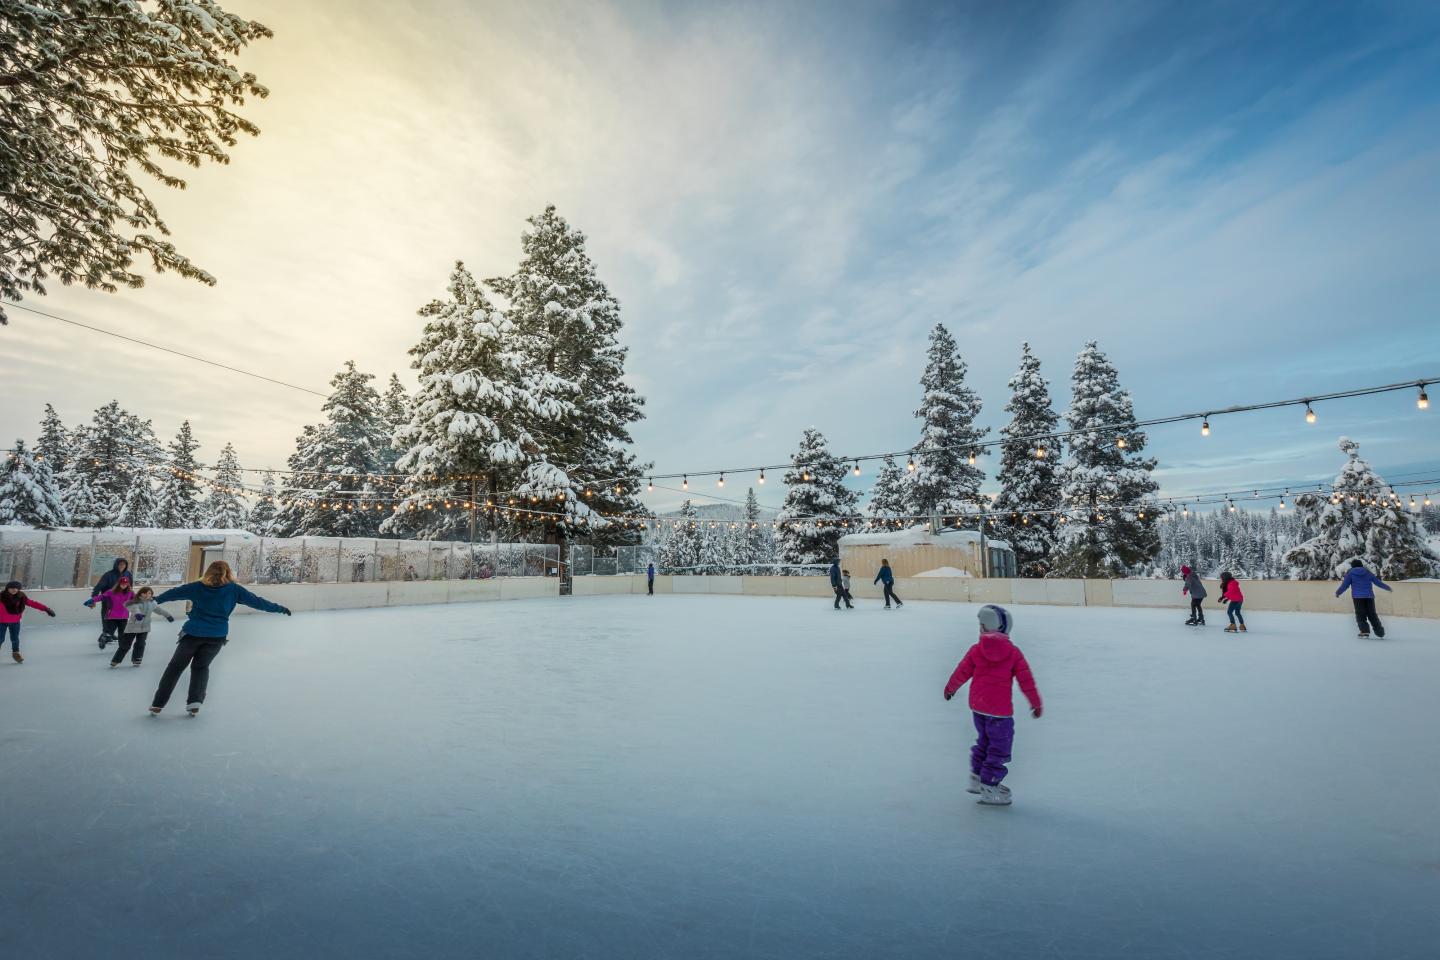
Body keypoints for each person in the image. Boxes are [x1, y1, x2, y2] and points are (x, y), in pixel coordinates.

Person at [148, 561, 291, 717]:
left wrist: (155, 600)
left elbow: (174, 593)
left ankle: (158, 704)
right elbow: (258, 602)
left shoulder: (197, 587)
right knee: (201, 667)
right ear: (228, 573)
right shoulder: (234, 590)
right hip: (216, 636)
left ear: (208, 572)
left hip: (192, 634)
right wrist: (280, 608)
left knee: (175, 668)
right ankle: (194, 703)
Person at [944, 604, 1042, 806]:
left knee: (984, 741)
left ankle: (977, 777)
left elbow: (961, 672)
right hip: (1000, 711)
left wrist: (950, 688)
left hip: (978, 707)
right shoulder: (1013, 653)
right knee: (999, 747)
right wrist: (1035, 703)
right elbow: (1026, 681)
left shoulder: (976, 650)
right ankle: (990, 784)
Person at [109, 586, 176, 668]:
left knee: (140, 644)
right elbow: (135, 609)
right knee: (126, 645)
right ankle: (116, 660)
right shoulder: (136, 602)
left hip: (144, 628)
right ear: (141, 593)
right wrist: (138, 614)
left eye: (149, 593)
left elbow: (159, 610)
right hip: (133, 627)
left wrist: (168, 615)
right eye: (145, 593)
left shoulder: (152, 603)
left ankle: (137, 659)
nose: (147, 595)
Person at [1, 580, 57, 663]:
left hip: (15, 621)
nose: (14, 590)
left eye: (17, 588)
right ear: (7, 588)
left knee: (15, 638)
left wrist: (46, 609)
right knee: (0, 638)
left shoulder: (21, 597)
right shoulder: (1, 597)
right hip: (1, 621)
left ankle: (16, 653)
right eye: (12, 588)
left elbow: (33, 603)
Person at [1336, 558, 1391, 638]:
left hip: (1357, 597)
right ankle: (1380, 632)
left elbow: (1345, 585)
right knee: (1372, 614)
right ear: (1361, 565)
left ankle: (1364, 631)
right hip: (1369, 597)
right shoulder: (1367, 572)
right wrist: (1387, 588)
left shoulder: (1350, 573)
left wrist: (1338, 592)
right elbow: (1377, 582)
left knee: (1360, 614)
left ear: (1352, 566)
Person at [84, 575, 135, 649]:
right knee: (109, 632)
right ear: (119, 584)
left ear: (128, 584)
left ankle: (122, 647)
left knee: (122, 634)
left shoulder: (130, 593)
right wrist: (93, 600)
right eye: (122, 584)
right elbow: (102, 597)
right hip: (113, 616)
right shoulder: (111, 592)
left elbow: (137, 599)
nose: (124, 585)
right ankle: (103, 640)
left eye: (125, 584)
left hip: (124, 617)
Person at [90, 557, 130, 644]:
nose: (122, 566)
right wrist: (93, 599)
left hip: (122, 602)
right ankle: (105, 635)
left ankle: (109, 633)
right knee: (108, 618)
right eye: (120, 564)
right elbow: (98, 587)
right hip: (109, 601)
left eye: (124, 564)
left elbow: (130, 587)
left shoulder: (128, 574)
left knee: (118, 618)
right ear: (116, 565)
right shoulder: (108, 575)